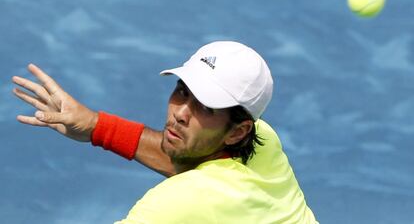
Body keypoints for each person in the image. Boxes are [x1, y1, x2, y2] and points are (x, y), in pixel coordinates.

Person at [12, 41, 318, 223]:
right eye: (182, 92)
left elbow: (197, 192)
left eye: (206, 108)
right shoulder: (264, 143)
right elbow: (181, 154)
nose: (181, 114)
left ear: (237, 132)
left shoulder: (181, 203)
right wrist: (96, 125)